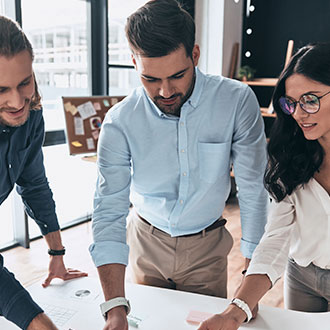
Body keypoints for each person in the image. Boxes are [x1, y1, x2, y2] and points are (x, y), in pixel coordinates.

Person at [89, 0, 268, 328]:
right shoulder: (119, 122)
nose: (165, 90)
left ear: (195, 56)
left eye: (177, 75)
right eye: (150, 79)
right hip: (145, 242)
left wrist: (249, 278)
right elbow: (108, 209)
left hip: (207, 247)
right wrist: (114, 305)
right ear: (133, 63)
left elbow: (253, 186)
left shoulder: (236, 101)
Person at [198, 42, 330, 330]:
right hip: (301, 277)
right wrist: (236, 311)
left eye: (310, 99)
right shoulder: (291, 158)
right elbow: (275, 239)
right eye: (291, 103)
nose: (298, 113)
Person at [0, 15, 88, 330]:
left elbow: (34, 185)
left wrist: (57, 251)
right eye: (1, 90)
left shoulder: (31, 116)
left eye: (24, 82)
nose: (16, 101)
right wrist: (38, 323)